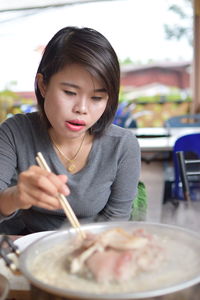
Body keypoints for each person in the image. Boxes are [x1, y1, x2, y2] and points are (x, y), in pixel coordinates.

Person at [0, 26, 141, 234]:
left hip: (91, 250)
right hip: (22, 249)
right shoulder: (14, 132)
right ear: (43, 85)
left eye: (97, 98)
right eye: (69, 92)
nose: (82, 109)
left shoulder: (122, 145)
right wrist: (16, 196)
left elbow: (115, 224)